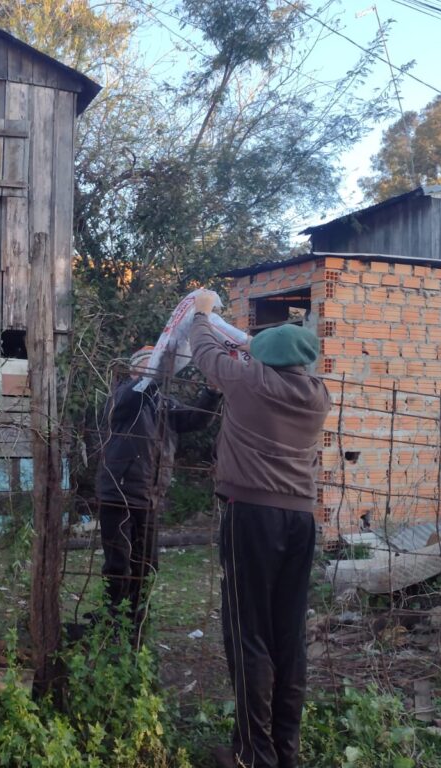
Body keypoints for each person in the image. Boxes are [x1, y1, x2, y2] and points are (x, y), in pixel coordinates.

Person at [189, 291, 331, 768]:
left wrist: (203, 313)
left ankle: (254, 755)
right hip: (301, 520)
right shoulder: (318, 396)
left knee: (246, 631)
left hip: (251, 514)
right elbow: (266, 359)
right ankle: (284, 752)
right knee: (287, 635)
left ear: (264, 358)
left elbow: (205, 354)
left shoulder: (249, 382)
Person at [94, 345, 221, 639]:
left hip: (149, 497)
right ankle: (113, 622)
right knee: (118, 563)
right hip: (120, 493)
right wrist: (151, 376)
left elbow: (196, 419)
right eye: (151, 364)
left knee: (146, 564)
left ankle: (136, 622)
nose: (158, 368)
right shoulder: (123, 395)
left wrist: (212, 393)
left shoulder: (163, 403)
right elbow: (132, 397)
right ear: (136, 367)